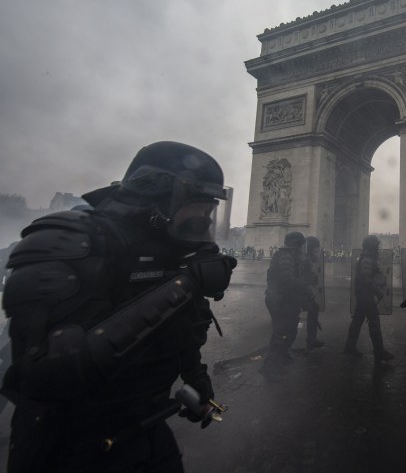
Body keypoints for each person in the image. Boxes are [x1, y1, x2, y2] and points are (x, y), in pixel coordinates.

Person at [0, 141, 237, 473]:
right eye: (195, 206)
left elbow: (182, 327)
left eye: (208, 209)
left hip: (147, 428)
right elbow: (50, 376)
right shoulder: (68, 244)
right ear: (154, 196)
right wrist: (185, 286)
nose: (203, 219)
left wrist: (196, 377)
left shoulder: (173, 250)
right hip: (67, 446)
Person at [261, 231, 309, 375]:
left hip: (282, 299)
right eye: (301, 245)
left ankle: (281, 358)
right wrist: (303, 285)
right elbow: (287, 279)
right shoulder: (287, 257)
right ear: (296, 244)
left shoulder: (289, 256)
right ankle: (270, 367)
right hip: (281, 300)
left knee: (287, 332)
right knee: (281, 333)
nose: (302, 248)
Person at [343, 235, 394, 365]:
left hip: (362, 294)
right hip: (365, 295)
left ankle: (350, 346)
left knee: (357, 321)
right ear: (372, 246)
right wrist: (377, 291)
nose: (378, 248)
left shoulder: (364, 257)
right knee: (374, 322)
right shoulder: (367, 259)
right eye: (376, 245)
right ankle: (379, 351)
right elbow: (366, 279)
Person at [302, 236, 325, 351]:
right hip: (299, 292)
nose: (318, 252)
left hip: (302, 291)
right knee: (291, 319)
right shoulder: (305, 260)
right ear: (311, 249)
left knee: (314, 310)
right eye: (316, 249)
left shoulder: (306, 258)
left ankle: (311, 340)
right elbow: (303, 278)